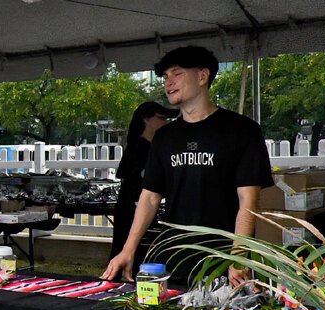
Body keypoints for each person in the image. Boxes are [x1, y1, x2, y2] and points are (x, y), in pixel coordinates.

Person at [102, 46, 274, 287]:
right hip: (172, 255)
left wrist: (238, 255)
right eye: (165, 77)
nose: (168, 82)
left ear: (202, 76)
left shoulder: (242, 131)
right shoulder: (164, 137)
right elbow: (150, 196)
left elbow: (249, 199)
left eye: (177, 73)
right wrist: (127, 249)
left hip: (222, 260)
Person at [109, 102, 177, 260]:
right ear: (146, 120)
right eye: (161, 118)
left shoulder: (152, 147)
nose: (166, 122)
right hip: (133, 211)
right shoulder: (138, 148)